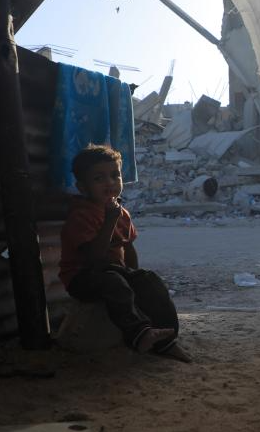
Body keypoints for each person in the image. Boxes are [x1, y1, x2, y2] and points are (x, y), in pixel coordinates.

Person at [59, 144, 190, 361]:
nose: (110, 182)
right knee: (113, 281)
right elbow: (94, 260)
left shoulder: (121, 213)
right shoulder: (81, 216)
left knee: (149, 280)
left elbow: (128, 248)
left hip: (115, 273)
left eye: (115, 175)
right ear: (82, 187)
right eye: (99, 178)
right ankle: (139, 334)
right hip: (82, 278)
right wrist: (110, 220)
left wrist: (135, 277)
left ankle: (166, 340)